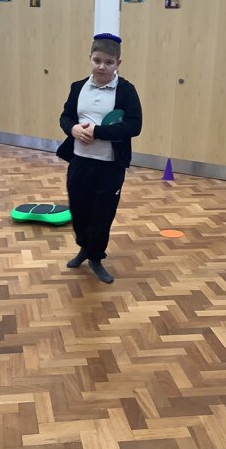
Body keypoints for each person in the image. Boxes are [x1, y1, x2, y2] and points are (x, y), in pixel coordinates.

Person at [57, 32, 142, 283]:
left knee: (102, 213)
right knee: (79, 209)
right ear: (90, 58)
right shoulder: (78, 87)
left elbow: (134, 126)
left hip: (110, 166)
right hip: (80, 161)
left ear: (118, 63)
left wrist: (98, 132)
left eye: (108, 62)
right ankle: (85, 247)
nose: (102, 67)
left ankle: (96, 257)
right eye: (97, 60)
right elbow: (65, 117)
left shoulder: (126, 91)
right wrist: (72, 129)